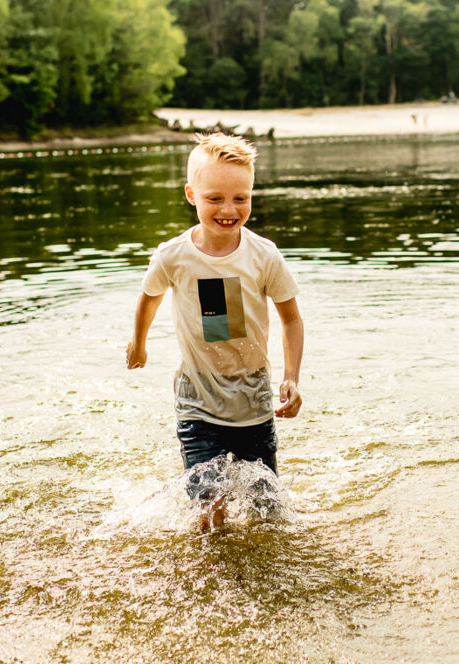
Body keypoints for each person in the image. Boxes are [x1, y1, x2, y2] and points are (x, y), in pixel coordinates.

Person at [126, 132, 304, 530]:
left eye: (240, 198)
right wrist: (139, 342)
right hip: (198, 403)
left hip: (253, 400)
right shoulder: (173, 256)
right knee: (209, 510)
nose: (228, 209)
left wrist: (291, 376)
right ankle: (214, 563)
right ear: (191, 195)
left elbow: (291, 318)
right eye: (214, 198)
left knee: (267, 513)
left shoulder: (263, 255)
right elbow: (149, 297)